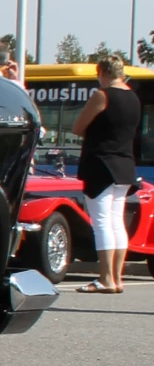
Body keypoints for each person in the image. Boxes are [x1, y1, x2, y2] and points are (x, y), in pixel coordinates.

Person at [71, 55, 141, 293]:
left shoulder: (102, 96)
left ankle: (105, 279)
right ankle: (117, 278)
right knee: (116, 221)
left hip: (100, 164)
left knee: (101, 223)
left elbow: (78, 127)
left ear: (102, 72)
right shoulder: (133, 97)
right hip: (124, 165)